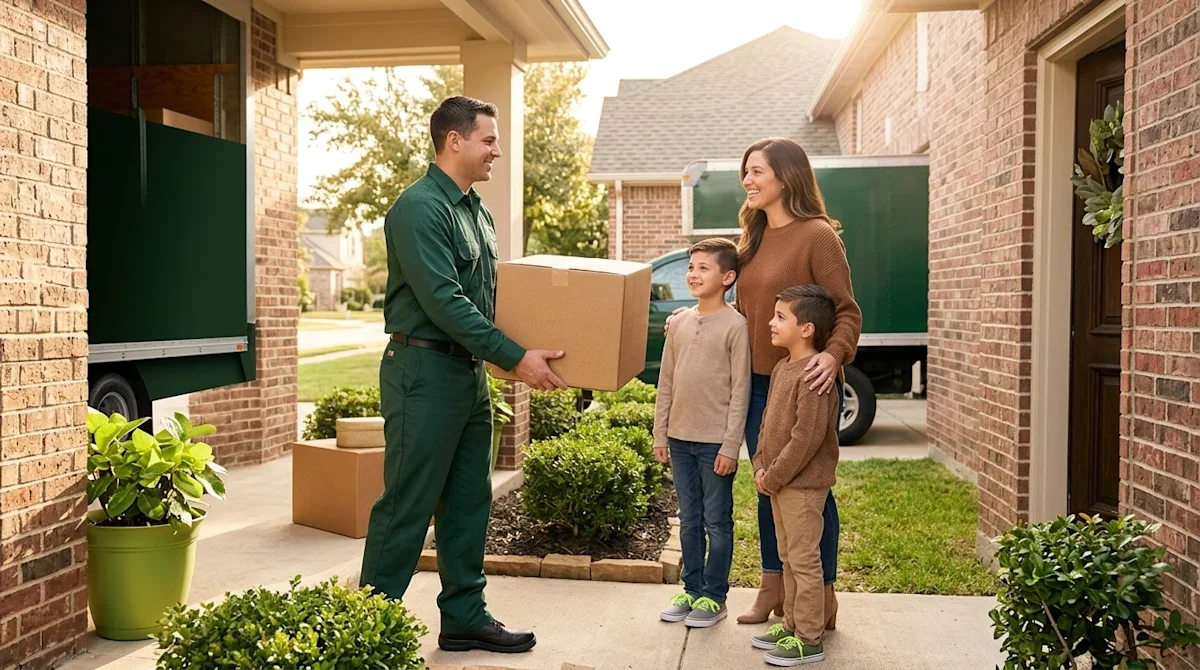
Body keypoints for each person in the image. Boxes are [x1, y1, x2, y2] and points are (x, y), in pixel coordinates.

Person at [359, 95, 567, 655]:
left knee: (469, 500)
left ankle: (463, 617)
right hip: (422, 372)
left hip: (468, 375)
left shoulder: (477, 211)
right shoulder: (418, 208)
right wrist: (516, 355)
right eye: (489, 140)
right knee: (407, 503)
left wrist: (509, 352)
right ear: (455, 141)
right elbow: (445, 302)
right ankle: (367, 628)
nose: (497, 150)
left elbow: (486, 301)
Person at [667, 137, 861, 627]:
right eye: (745, 173)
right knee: (767, 486)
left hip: (804, 385)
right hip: (756, 385)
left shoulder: (818, 236)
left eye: (756, 172)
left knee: (810, 487)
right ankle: (772, 586)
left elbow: (846, 312)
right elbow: (740, 310)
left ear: (786, 177)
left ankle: (822, 595)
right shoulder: (750, 239)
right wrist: (689, 319)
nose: (747, 181)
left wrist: (833, 357)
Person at [653, 238, 751, 628]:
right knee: (689, 519)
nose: (693, 274)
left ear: (727, 277)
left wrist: (731, 445)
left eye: (703, 268)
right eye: (691, 267)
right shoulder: (677, 322)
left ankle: (714, 595)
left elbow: (741, 390)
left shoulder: (736, 326)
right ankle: (691, 589)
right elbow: (666, 382)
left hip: (715, 446)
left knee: (716, 521)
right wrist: (661, 434)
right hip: (679, 439)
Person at [749, 285, 840, 666]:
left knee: (804, 559)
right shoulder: (782, 367)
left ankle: (809, 638)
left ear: (806, 328)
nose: (771, 322)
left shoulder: (815, 374)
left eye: (780, 317)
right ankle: (791, 624)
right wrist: (759, 464)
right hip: (778, 481)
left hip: (801, 486)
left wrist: (774, 476)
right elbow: (768, 424)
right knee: (787, 555)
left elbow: (806, 439)